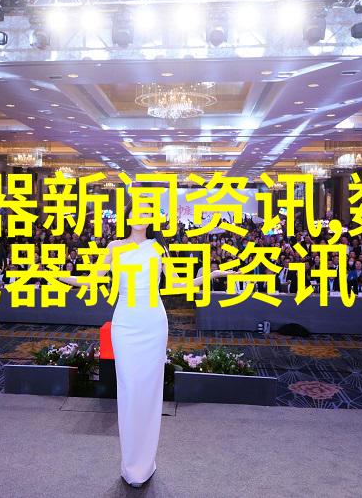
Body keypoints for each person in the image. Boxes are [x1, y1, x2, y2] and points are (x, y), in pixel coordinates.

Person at [43, 208, 235, 488]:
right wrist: (58, 275)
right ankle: (130, 463)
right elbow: (92, 279)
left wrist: (211, 274)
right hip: (125, 323)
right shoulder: (114, 247)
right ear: (128, 217)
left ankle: (144, 463)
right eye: (136, 212)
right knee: (129, 389)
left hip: (153, 322)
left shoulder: (159, 248)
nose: (141, 217)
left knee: (150, 391)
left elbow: (178, 284)